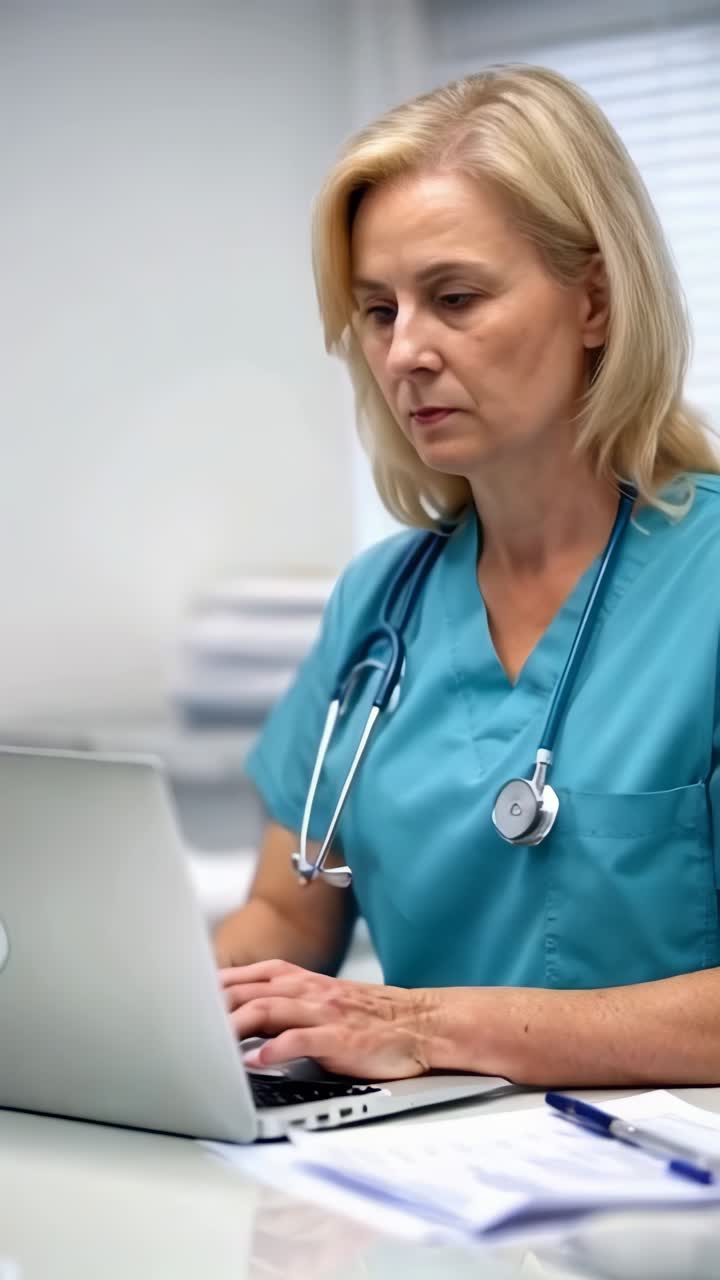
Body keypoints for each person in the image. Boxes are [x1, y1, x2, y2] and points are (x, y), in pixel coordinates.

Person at [213, 65, 720, 1087]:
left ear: (594, 302)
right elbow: (288, 912)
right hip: (421, 1161)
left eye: (454, 298)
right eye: (378, 310)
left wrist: (426, 1027)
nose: (406, 351)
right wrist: (156, 1012)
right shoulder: (378, 605)